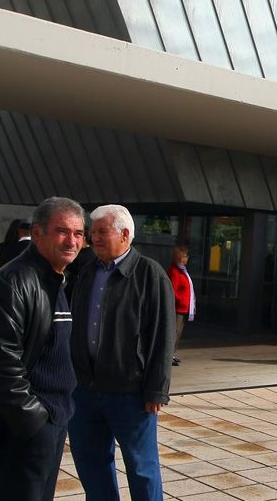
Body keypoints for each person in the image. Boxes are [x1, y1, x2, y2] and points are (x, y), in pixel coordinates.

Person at [0, 197, 84, 501]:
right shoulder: (12, 283)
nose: (72, 241)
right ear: (37, 233)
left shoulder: (56, 279)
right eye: (62, 231)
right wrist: (33, 421)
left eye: (78, 233)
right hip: (28, 426)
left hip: (54, 419)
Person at [69, 205, 175, 501]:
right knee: (91, 464)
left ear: (125, 234)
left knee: (141, 468)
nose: (94, 238)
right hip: (85, 391)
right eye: (93, 232)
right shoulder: (86, 271)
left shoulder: (150, 275)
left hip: (130, 392)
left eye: (102, 231)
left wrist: (157, 390)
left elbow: (163, 337)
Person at [167, 245, 195, 367]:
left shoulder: (182, 270)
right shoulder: (174, 271)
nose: (185, 258)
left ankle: (172, 354)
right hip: (177, 308)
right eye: (183, 256)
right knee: (174, 332)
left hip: (183, 308)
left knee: (178, 333)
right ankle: (168, 356)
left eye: (186, 256)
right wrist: (181, 301)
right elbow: (172, 290)